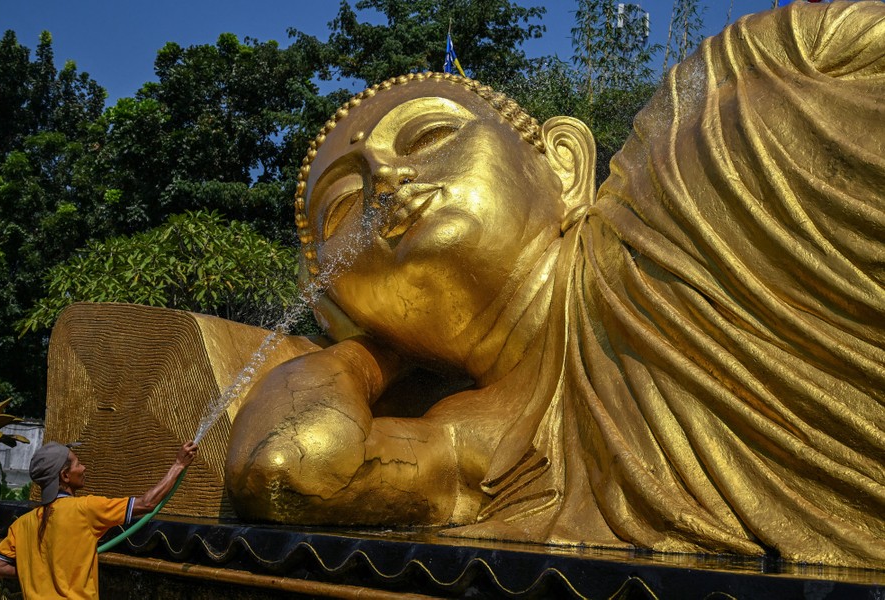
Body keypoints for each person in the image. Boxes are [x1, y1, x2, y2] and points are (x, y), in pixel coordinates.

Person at [224, 1, 884, 568]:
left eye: (428, 135)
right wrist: (367, 353)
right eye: (344, 205)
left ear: (564, 166)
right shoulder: (486, 440)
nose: (385, 181)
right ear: (339, 306)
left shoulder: (703, 127)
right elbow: (290, 469)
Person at [0, 440, 198, 598]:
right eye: (78, 463)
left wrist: (33, 572)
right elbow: (147, 504)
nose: (84, 468)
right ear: (65, 476)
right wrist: (178, 465)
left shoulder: (22, 524)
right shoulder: (85, 509)